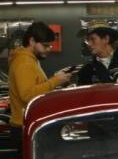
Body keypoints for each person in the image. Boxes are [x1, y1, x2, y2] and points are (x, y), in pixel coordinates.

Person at [8, 21, 73, 149]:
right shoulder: (24, 62)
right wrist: (54, 81)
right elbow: (27, 95)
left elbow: (34, 87)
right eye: (45, 46)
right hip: (26, 126)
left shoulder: (29, 60)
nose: (49, 49)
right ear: (32, 41)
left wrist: (54, 80)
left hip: (26, 124)